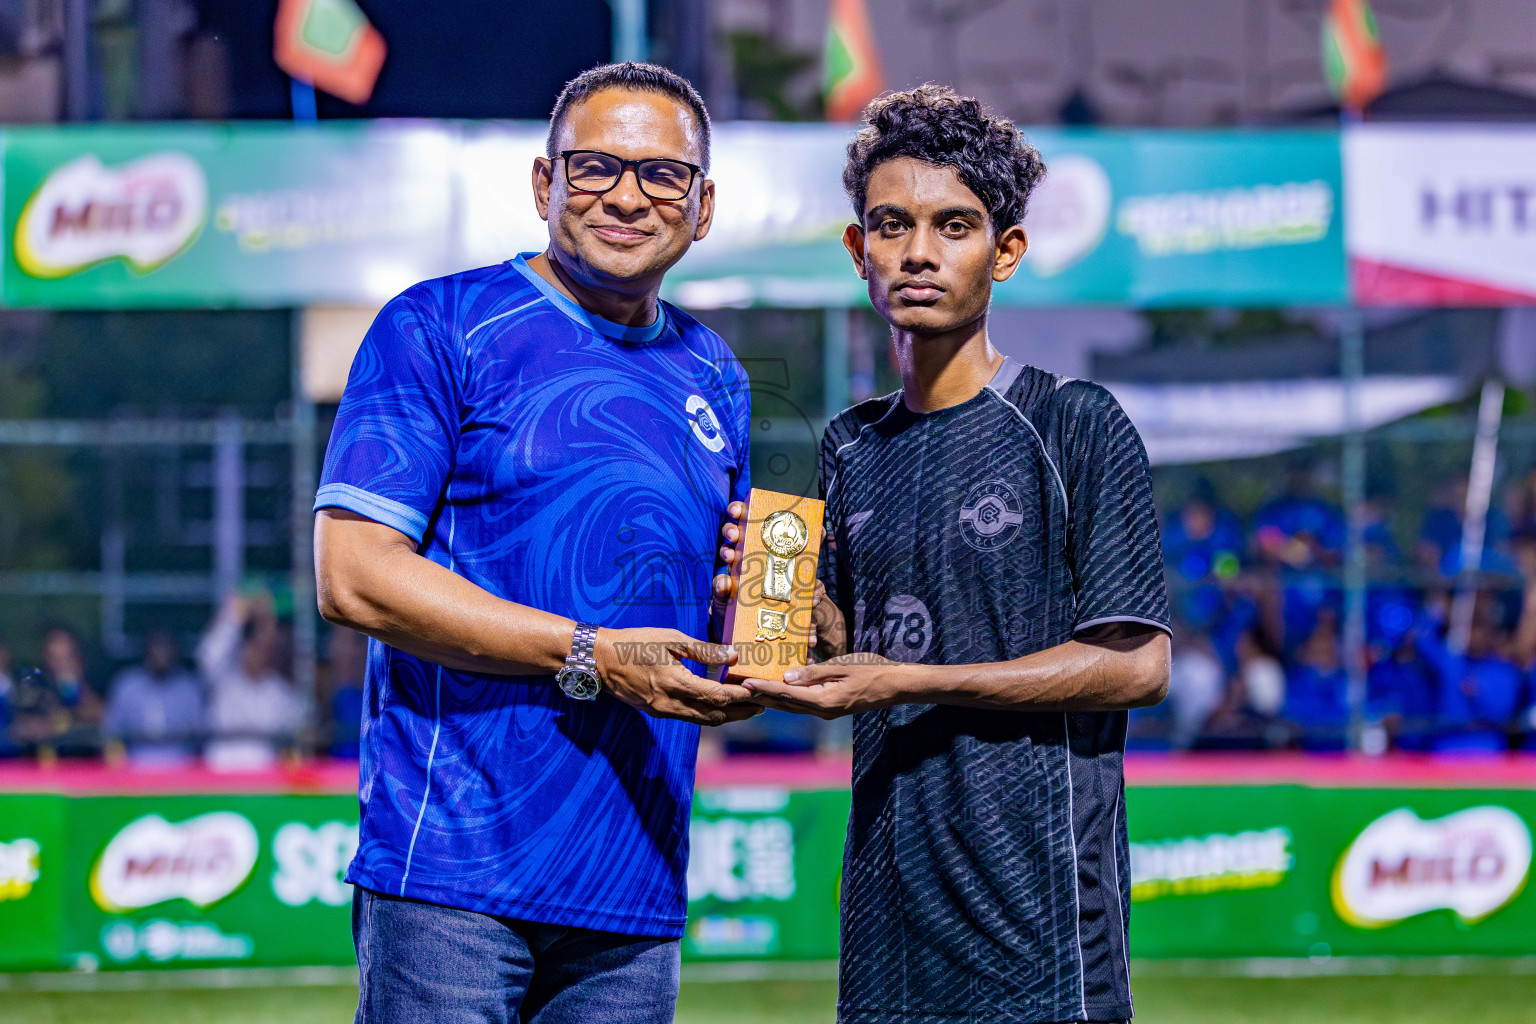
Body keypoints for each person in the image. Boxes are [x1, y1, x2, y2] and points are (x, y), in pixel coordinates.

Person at [312, 63, 758, 1024]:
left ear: (704, 205)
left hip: (633, 885)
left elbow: (719, 604)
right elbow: (355, 578)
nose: (628, 196)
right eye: (595, 167)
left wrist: (786, 623)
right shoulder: (440, 326)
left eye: (663, 175)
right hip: (452, 873)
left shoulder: (715, 372)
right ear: (543, 184)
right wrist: (593, 656)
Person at [733, 85, 1170, 1024]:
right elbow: (823, 661)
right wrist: (780, 607)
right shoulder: (840, 447)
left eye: (954, 226)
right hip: (887, 922)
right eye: (891, 225)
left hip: (1041, 922)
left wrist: (904, 681)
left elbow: (1138, 665)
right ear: (859, 251)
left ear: (1005, 251)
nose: (919, 251)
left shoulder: (1075, 423)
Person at [197, 594, 303, 771]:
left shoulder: (278, 691)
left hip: (262, 777)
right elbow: (208, 655)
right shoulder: (222, 678)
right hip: (221, 771)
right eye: (255, 646)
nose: (259, 654)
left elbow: (298, 726)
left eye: (264, 648)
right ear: (244, 646)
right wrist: (234, 616)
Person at [103, 630, 203, 767]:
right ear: (146, 648)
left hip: (182, 769)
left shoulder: (190, 688)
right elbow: (112, 733)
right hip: (133, 768)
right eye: (156, 645)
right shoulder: (126, 685)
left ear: (176, 649)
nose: (161, 651)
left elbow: (202, 737)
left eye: (166, 645)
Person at [11, 625, 103, 760]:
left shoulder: (91, 681)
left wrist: (77, 686)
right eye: (54, 657)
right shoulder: (34, 684)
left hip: (84, 762)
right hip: (42, 762)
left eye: (66, 657)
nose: (60, 664)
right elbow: (21, 727)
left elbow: (103, 718)